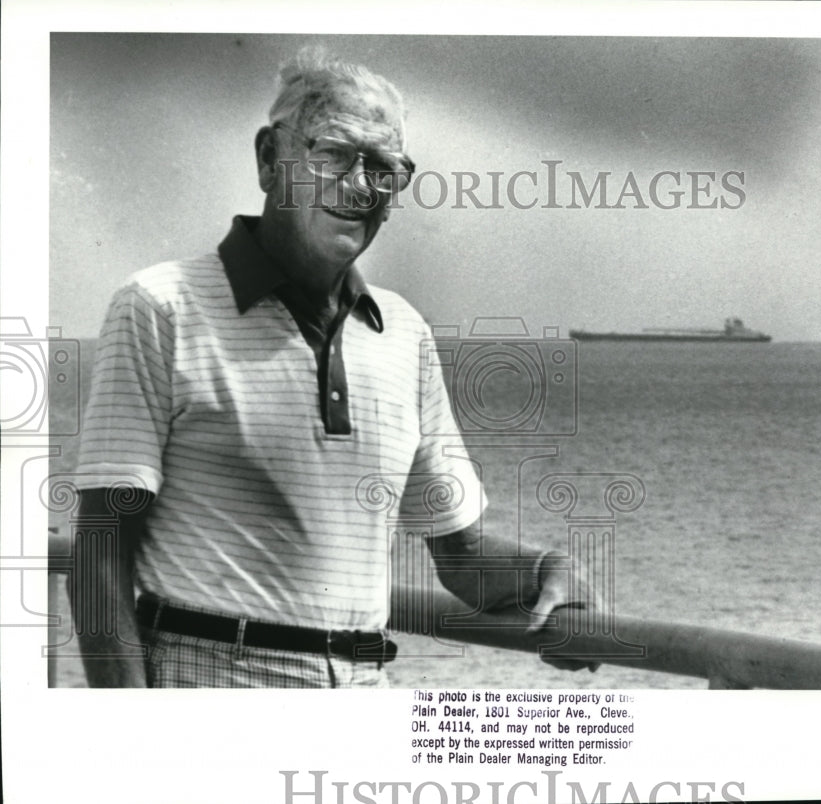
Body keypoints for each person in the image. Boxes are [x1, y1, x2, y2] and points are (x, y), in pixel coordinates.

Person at [71, 48, 600, 688]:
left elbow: (457, 556)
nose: (359, 185)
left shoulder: (402, 331)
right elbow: (101, 550)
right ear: (270, 159)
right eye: (333, 154)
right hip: (208, 682)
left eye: (383, 168)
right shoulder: (160, 307)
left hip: (362, 691)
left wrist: (550, 572)